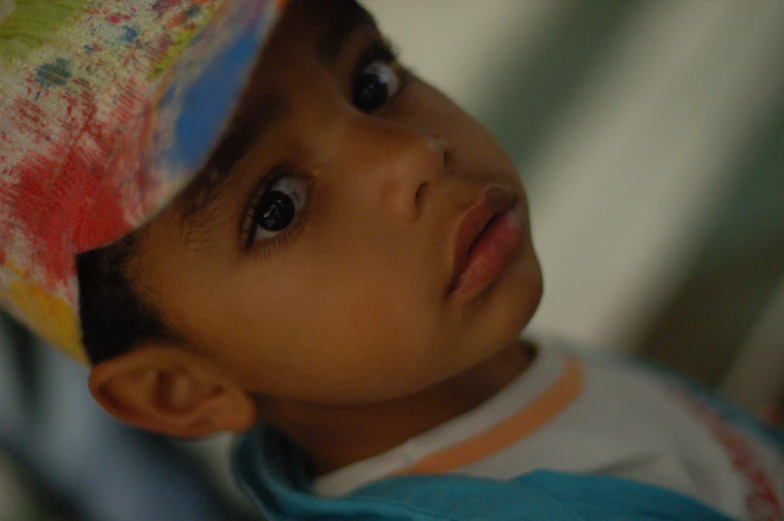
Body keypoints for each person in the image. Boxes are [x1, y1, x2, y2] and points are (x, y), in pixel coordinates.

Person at [1, 1, 782, 520]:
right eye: (277, 207)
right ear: (183, 388)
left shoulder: (476, 372)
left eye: (371, 82)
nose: (413, 156)